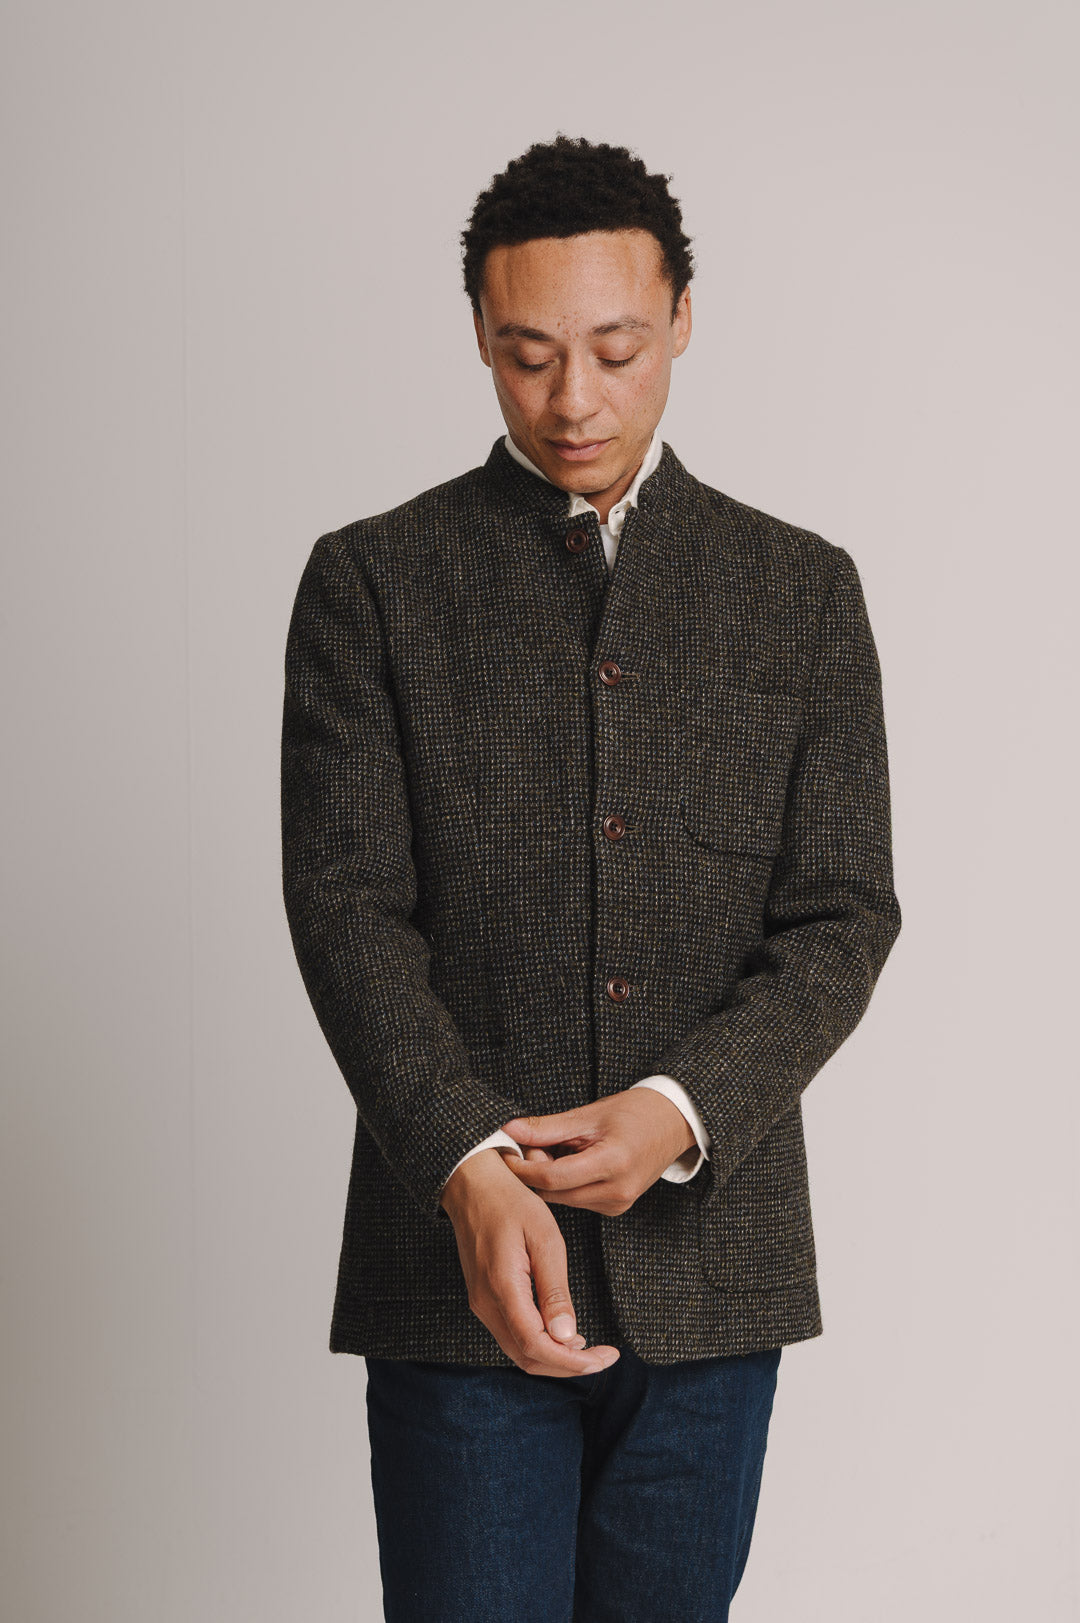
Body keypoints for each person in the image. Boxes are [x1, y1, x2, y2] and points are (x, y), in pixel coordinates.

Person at [281, 134, 901, 1622]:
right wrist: (462, 1161)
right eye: (529, 354)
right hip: (452, 1275)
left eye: (616, 350)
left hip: (716, 1268)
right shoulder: (371, 581)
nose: (573, 400)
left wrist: (681, 1109)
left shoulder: (800, 590)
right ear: (480, 337)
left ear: (681, 318)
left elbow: (842, 915)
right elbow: (347, 908)